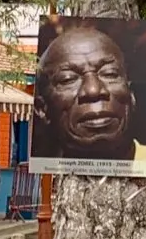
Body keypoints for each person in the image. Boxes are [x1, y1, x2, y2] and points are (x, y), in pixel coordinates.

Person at [32, 21, 140, 162]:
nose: (93, 90)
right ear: (42, 109)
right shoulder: (43, 176)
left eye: (109, 73)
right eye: (68, 79)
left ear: (131, 94)